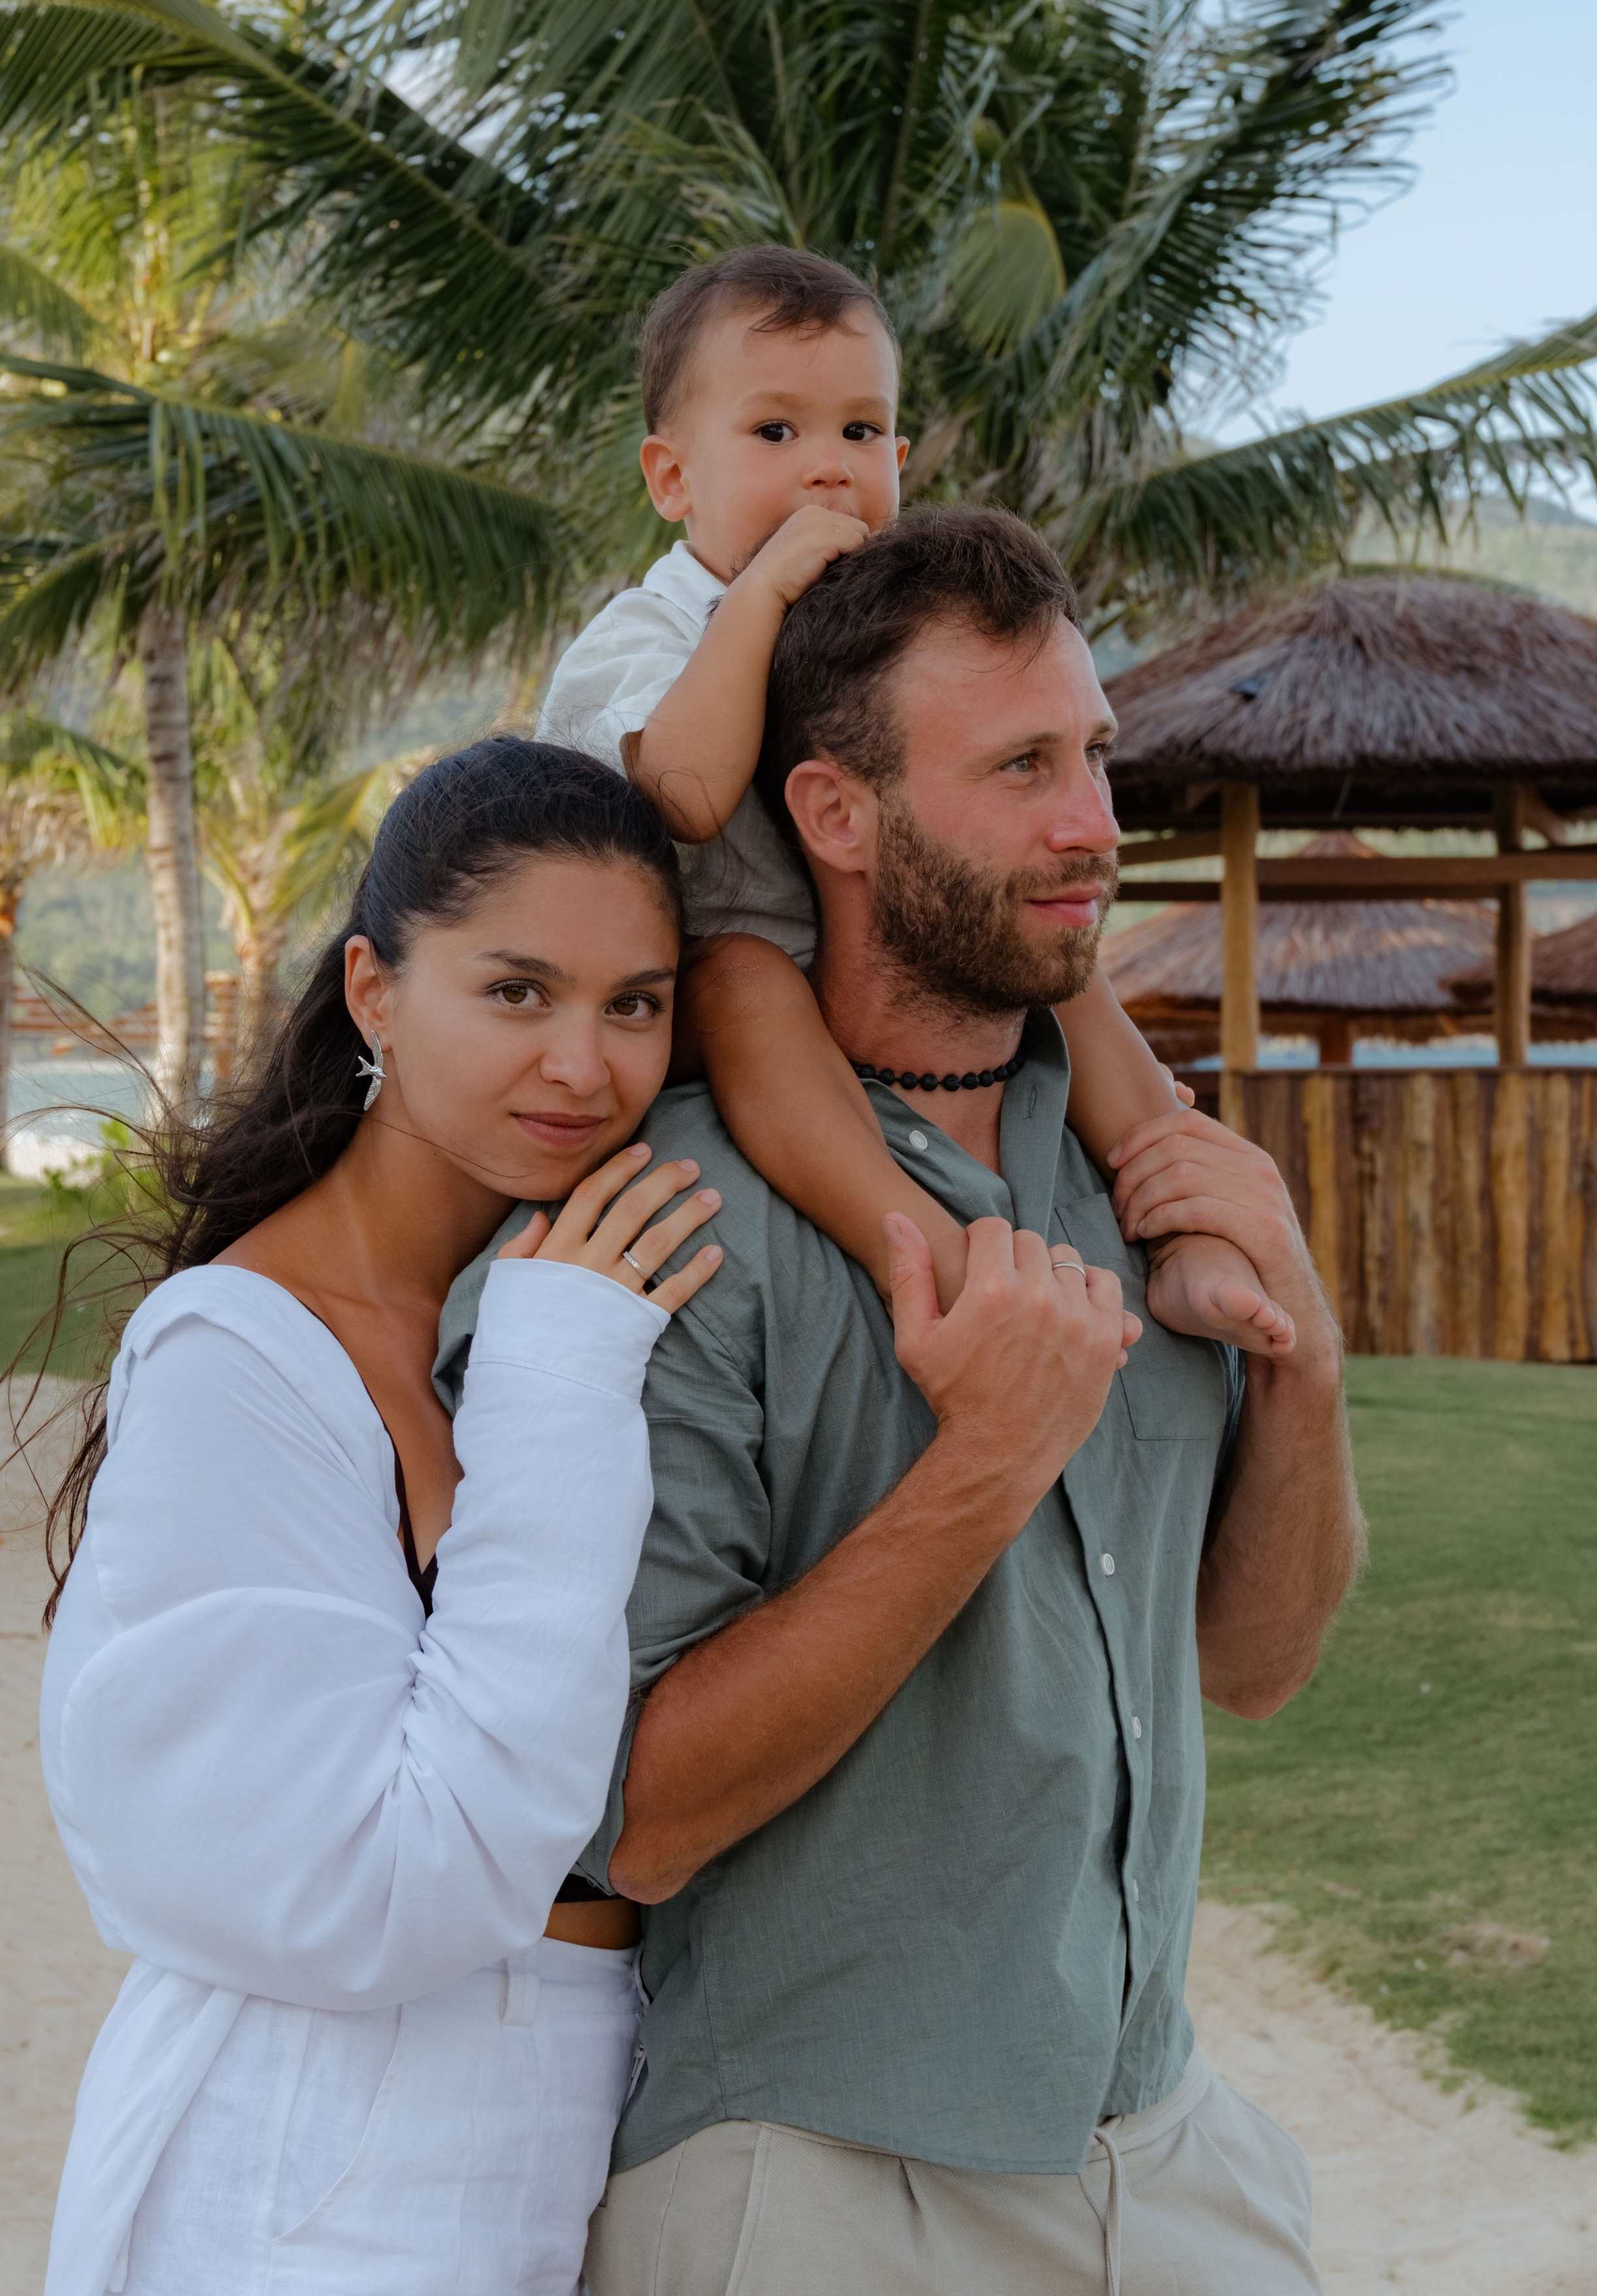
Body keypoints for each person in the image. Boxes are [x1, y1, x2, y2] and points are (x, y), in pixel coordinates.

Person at [441, 508, 1363, 2295]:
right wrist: (985, 1467)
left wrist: (1304, 1358)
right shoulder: (666, 1238)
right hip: (821, 2192)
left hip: (1177, 2159)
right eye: (1020, 767)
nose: (1094, 823)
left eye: (1092, 755)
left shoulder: (1156, 1184)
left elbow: (1253, 1666)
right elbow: (620, 1816)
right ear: (838, 818)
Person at [34, 739, 725, 2296]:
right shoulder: (244, 1351)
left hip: (547, 2141)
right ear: (371, 992)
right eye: (515, 991)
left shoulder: (524, 1290)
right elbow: (387, 1877)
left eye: (634, 1003)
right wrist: (559, 1377)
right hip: (306, 2175)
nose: (583, 1065)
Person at [536, 240, 1294, 1358]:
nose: (828, 469)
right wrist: (761, 599)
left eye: (860, 433)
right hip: (671, 984)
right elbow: (686, 796)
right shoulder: (651, 631)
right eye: (775, 432)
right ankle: (929, 1258)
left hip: (846, 968)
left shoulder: (867, 634)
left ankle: (1186, 1221)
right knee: (746, 979)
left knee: (1048, 935)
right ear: (671, 479)